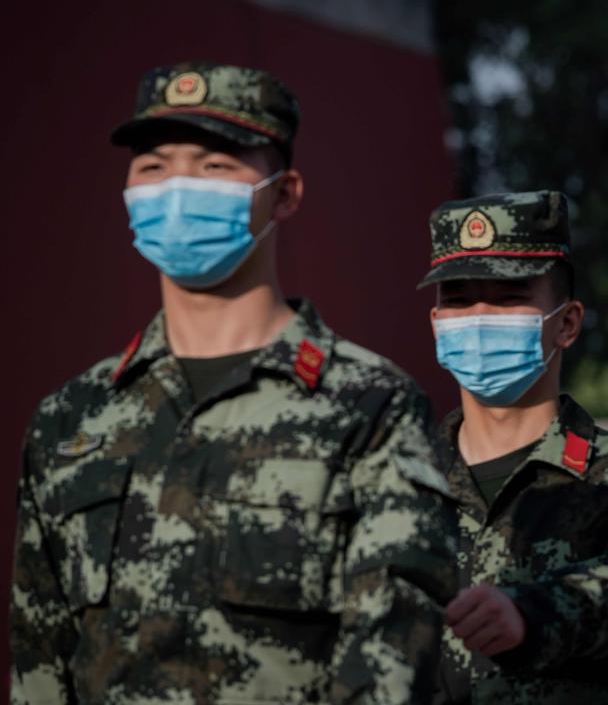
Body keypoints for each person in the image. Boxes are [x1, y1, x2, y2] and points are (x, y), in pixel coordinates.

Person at [9, 62, 458, 703]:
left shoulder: (370, 404)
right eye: (154, 166)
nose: (179, 188)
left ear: (285, 194)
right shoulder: (70, 420)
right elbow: (38, 665)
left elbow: (393, 663)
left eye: (216, 165)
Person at [421, 191, 608, 703]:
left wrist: (532, 613)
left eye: (509, 297)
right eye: (459, 299)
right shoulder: (396, 473)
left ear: (568, 322)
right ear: (437, 323)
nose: (481, 316)